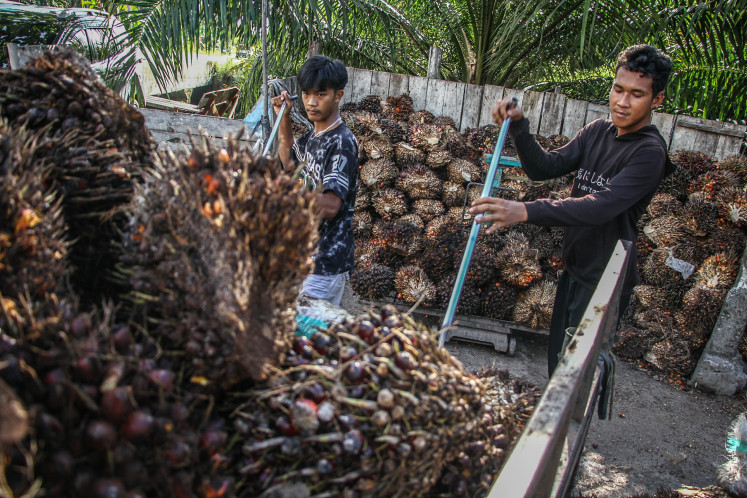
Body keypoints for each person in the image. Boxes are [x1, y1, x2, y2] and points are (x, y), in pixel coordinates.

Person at [470, 44, 674, 376]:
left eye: (637, 94)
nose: (622, 102)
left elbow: (600, 207)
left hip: (605, 283)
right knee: (558, 367)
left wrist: (525, 210)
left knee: (573, 381)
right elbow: (544, 167)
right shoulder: (597, 131)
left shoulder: (649, 153)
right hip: (576, 269)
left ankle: (565, 429)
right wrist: (520, 126)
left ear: (657, 100)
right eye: (618, 89)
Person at [271, 55, 359, 306]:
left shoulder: (341, 143)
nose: (311, 102)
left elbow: (330, 206)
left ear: (338, 96)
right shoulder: (314, 136)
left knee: (310, 338)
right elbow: (290, 164)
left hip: (324, 265)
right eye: (307, 93)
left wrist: (282, 194)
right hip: (303, 260)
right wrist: (283, 115)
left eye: (321, 94)